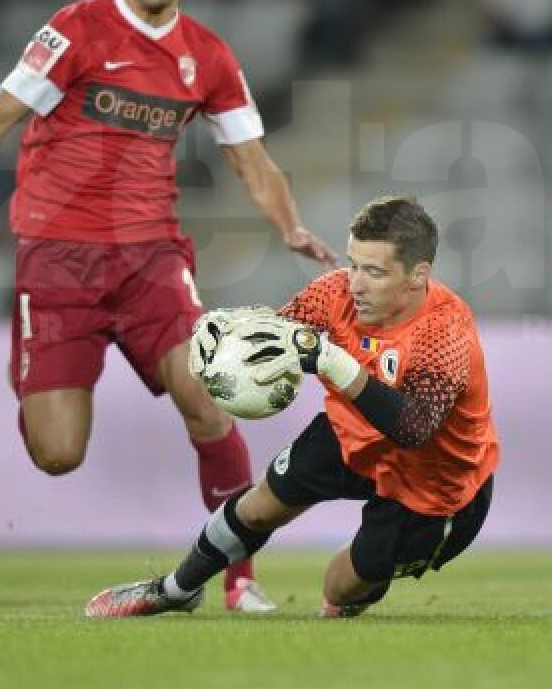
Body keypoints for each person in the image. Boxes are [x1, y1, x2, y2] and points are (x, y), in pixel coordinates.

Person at [0, 0, 336, 612]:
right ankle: (32, 371)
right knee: (58, 453)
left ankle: (241, 580)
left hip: (151, 259)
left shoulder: (207, 55)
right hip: (57, 259)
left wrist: (290, 225)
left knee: (208, 401)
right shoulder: (77, 29)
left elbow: (251, 158)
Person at [84, 195, 499, 619]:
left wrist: (332, 361)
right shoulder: (334, 294)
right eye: (354, 264)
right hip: (350, 435)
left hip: (436, 485)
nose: (355, 283)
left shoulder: (445, 331)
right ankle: (176, 590)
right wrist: (229, 345)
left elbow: (414, 429)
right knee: (260, 506)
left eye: (374, 272)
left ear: (418, 275)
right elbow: (276, 337)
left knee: (338, 588)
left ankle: (366, 566)